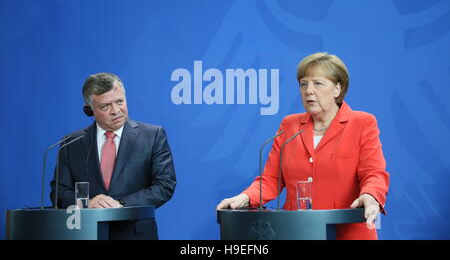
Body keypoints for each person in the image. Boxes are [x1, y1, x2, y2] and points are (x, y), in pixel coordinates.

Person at [217, 52, 389, 240]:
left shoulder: (362, 123)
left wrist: (371, 195)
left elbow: (373, 173)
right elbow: (271, 179)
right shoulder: (289, 125)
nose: (309, 91)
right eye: (303, 84)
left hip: (346, 233)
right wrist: (245, 198)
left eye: (318, 83)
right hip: (295, 233)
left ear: (337, 89)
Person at [50, 72, 176, 239]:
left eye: (120, 102)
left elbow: (164, 185)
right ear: (89, 110)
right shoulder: (71, 143)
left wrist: (122, 204)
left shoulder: (152, 136)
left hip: (135, 234)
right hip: (86, 233)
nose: (116, 111)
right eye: (105, 106)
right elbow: (59, 192)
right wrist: (86, 203)